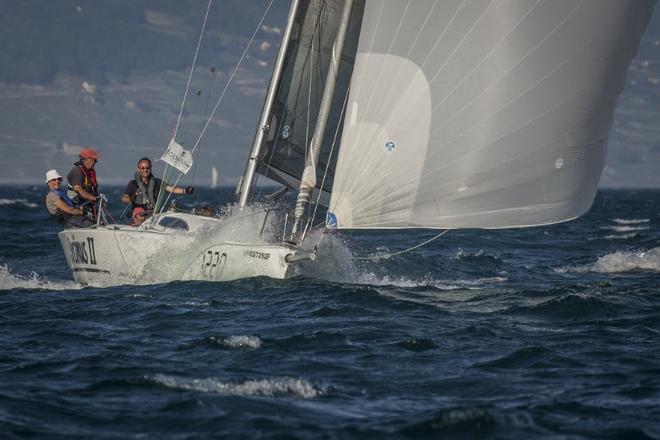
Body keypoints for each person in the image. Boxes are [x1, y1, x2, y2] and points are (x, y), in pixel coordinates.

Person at [121, 157, 194, 216]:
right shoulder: (133, 184)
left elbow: (172, 189)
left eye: (148, 168)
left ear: (151, 168)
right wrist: (131, 198)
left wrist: (185, 190)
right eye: (143, 168)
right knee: (138, 211)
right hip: (138, 216)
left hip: (153, 216)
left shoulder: (157, 182)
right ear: (138, 169)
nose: (145, 170)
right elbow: (124, 198)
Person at [67, 147, 101, 214]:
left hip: (88, 208)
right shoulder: (77, 171)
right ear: (86, 159)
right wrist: (94, 198)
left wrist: (99, 200)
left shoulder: (89, 172)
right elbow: (78, 189)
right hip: (77, 209)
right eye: (94, 160)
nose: (95, 162)